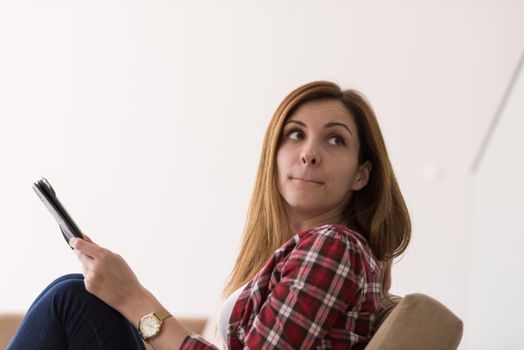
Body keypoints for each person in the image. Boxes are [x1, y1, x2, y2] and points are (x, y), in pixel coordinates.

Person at [8, 80, 411, 349]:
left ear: (361, 174)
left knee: (73, 298)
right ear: (274, 154)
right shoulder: (301, 253)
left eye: (335, 139)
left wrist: (134, 298)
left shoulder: (335, 247)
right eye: (295, 134)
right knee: (73, 289)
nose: (308, 153)